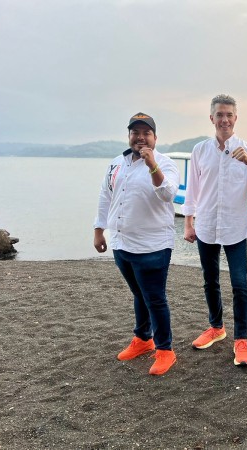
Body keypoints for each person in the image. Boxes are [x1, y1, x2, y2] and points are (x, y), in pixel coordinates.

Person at [183, 94, 247, 366]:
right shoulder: (200, 150)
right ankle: (216, 327)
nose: (224, 120)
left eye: (229, 115)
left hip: (235, 227)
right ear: (212, 118)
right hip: (206, 225)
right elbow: (192, 189)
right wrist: (188, 222)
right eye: (219, 115)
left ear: (236, 118)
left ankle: (241, 339)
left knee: (240, 284)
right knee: (210, 280)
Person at [94, 112, 180, 376]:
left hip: (153, 246)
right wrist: (99, 230)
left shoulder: (165, 163)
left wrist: (152, 165)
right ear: (129, 135)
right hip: (121, 243)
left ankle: (165, 350)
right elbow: (106, 196)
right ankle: (143, 339)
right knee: (139, 294)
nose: (140, 138)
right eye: (135, 132)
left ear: (155, 137)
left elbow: (168, 194)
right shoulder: (117, 163)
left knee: (155, 298)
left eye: (146, 133)